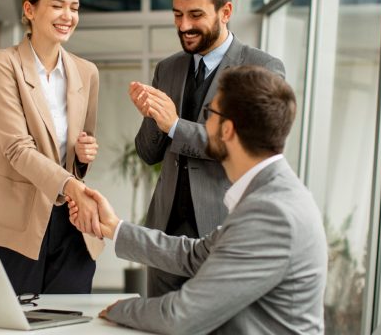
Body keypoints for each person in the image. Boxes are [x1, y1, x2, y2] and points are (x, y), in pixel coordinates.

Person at [70, 65, 327, 334]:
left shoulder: (272, 212)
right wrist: (114, 226)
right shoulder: (269, 195)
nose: (204, 124)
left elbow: (181, 316)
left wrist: (119, 309)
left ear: (227, 130)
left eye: (209, 114)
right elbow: (195, 254)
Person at [129, 0, 286, 297]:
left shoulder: (262, 68)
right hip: (164, 234)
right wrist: (154, 119)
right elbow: (147, 153)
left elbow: (241, 148)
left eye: (196, 15)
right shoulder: (168, 68)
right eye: (177, 14)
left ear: (225, 11)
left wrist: (173, 124)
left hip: (224, 231)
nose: (184, 26)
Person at [0, 0, 104, 295]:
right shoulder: (4, 65)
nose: (68, 16)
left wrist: (84, 156)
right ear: (29, 10)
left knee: (70, 318)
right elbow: (16, 148)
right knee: (16, 319)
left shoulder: (87, 73)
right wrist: (72, 185)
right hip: (18, 218)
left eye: (74, 8)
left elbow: (80, 146)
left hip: (71, 221)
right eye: (58, 6)